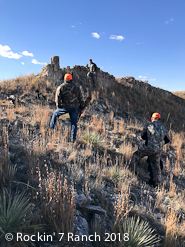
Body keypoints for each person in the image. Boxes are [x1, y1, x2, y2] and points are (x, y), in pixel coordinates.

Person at [129, 112, 170, 187]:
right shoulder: (163, 128)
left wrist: (150, 141)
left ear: (152, 118)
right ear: (159, 119)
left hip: (149, 147)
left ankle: (130, 172)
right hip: (158, 150)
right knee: (156, 167)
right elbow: (167, 139)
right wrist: (159, 143)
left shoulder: (149, 125)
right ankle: (158, 185)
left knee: (136, 156)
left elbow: (142, 136)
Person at [49, 73, 85, 142]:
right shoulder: (76, 88)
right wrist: (82, 108)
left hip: (64, 107)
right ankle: (73, 139)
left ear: (65, 79)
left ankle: (51, 129)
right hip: (75, 108)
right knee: (74, 123)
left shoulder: (60, 87)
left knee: (55, 114)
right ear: (71, 79)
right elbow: (81, 99)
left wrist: (59, 107)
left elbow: (57, 99)